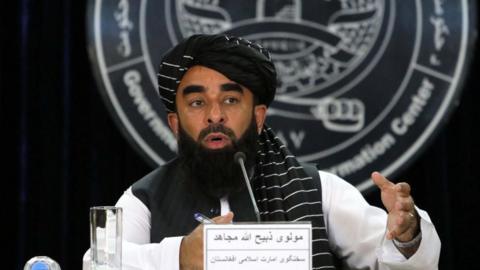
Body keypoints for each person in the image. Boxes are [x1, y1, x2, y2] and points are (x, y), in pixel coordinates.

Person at [83, 34, 440, 270]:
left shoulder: (315, 190)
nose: (214, 115)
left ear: (258, 116)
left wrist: (407, 235)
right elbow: (99, 263)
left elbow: (395, 256)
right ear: (175, 123)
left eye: (230, 99)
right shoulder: (145, 197)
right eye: (196, 102)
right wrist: (179, 256)